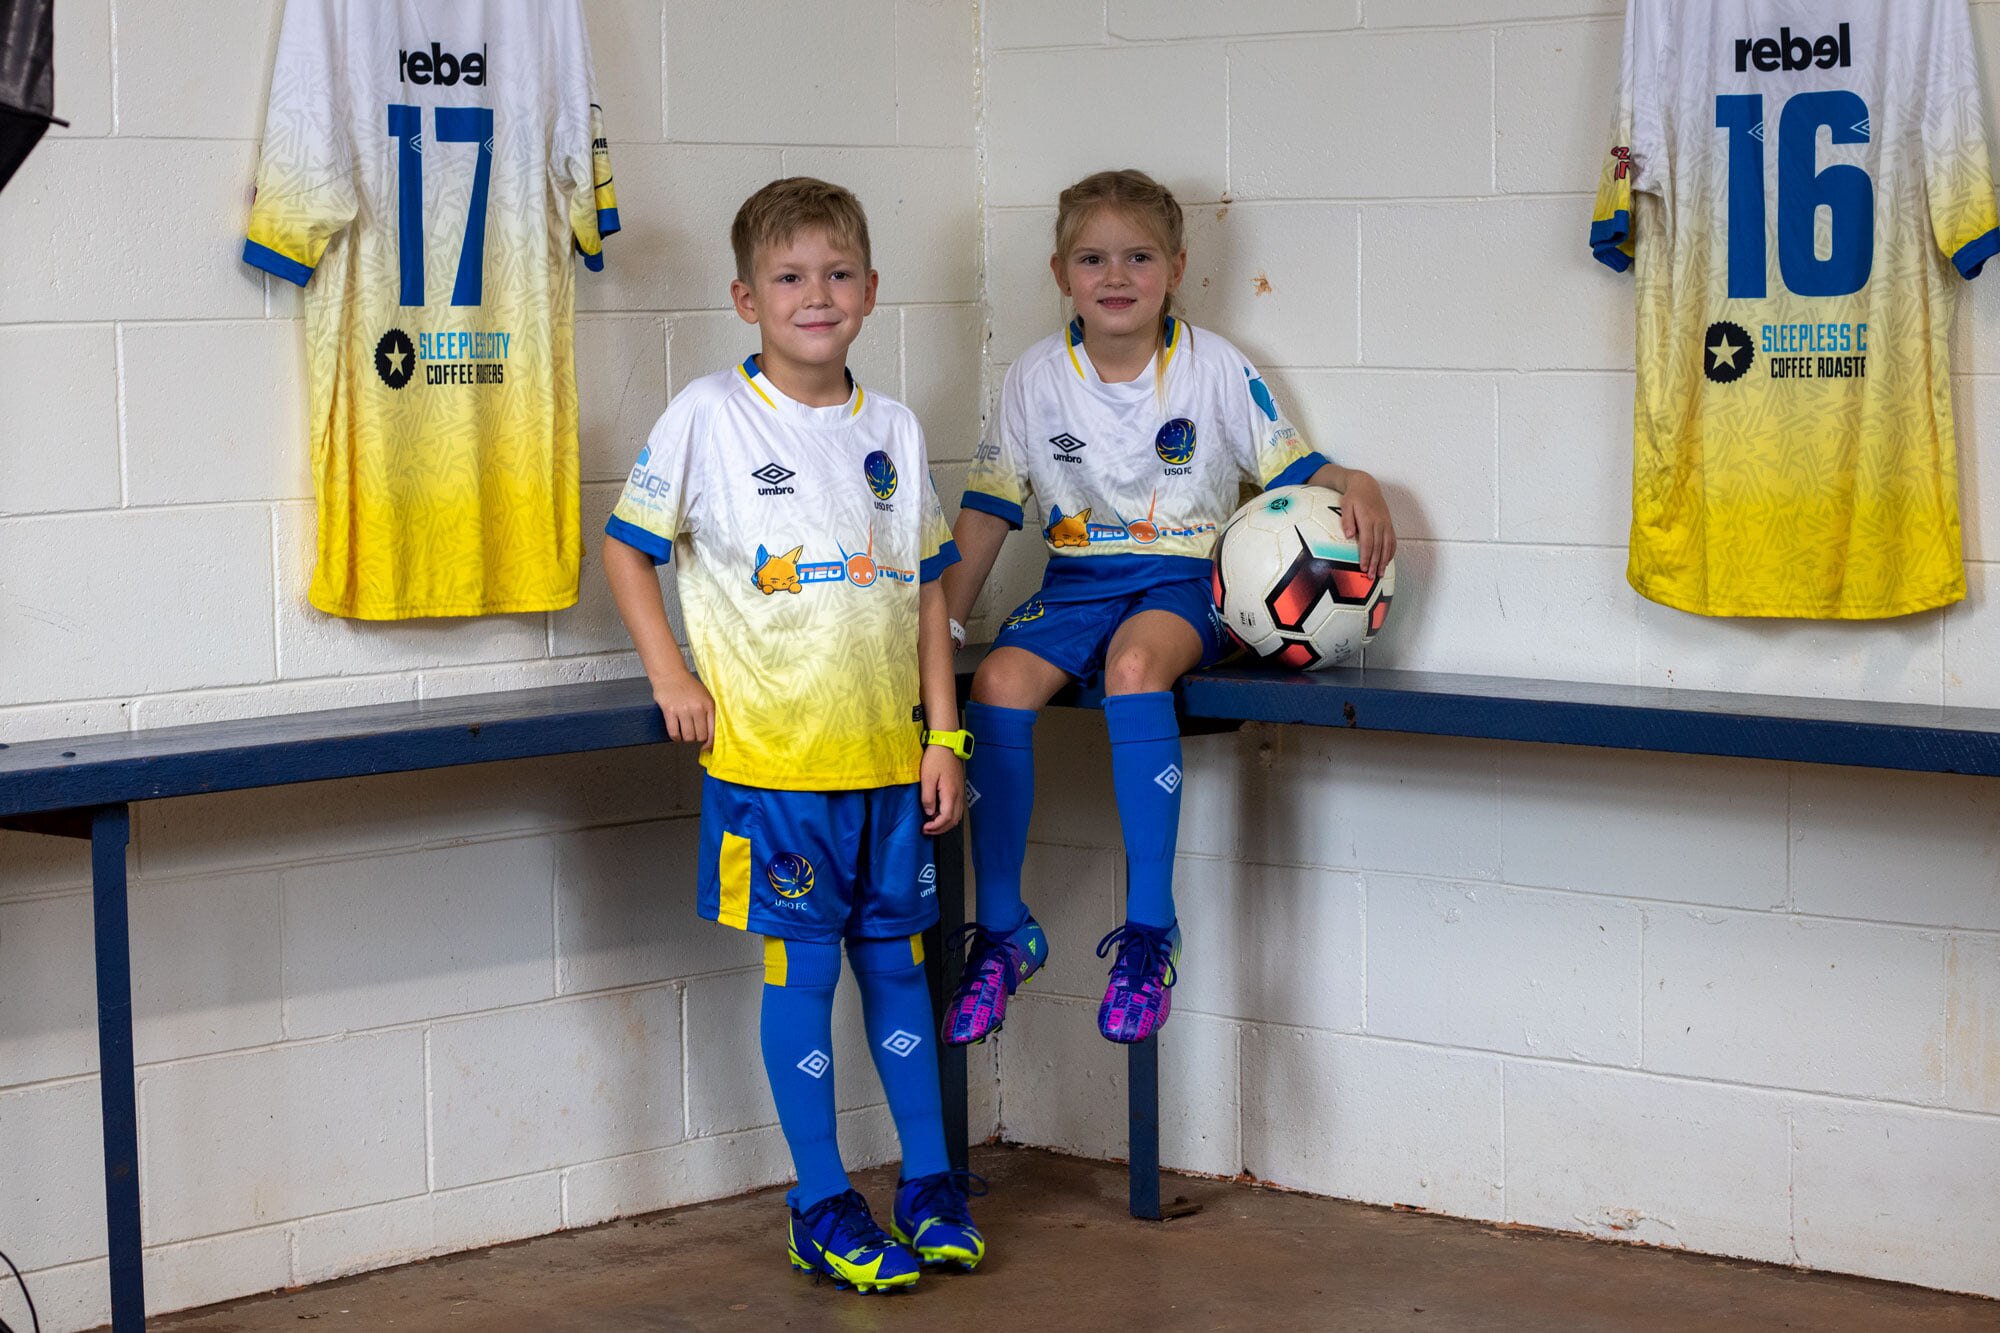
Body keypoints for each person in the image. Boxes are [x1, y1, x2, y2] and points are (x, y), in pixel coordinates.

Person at [603, 177, 981, 1294]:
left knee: (900, 974)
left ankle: (928, 1184)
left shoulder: (893, 429)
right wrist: (669, 671)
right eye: (788, 277)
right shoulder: (708, 414)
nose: (815, 296)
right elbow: (628, 548)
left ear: (870, 288)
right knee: (804, 978)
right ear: (744, 297)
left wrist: (943, 737)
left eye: (836, 274)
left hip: (884, 766)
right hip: (772, 771)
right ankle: (820, 1200)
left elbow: (923, 592)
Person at [941, 168, 1397, 1047]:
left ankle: (1150, 934)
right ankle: (1004, 933)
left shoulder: (1216, 366)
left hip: (1182, 581)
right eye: (1093, 258)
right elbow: (992, 509)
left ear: (1176, 266)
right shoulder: (1035, 377)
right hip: (1073, 581)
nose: (1116, 276)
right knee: (995, 681)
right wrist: (943, 626)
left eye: (1138, 256)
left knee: (1134, 668)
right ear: (1059, 272)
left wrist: (1360, 481)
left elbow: (1295, 471)